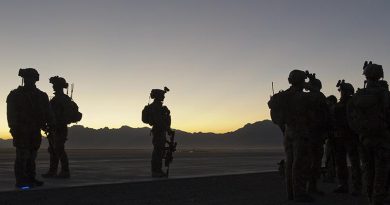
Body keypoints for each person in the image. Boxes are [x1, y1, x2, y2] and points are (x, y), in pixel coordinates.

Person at [348, 61, 390, 205]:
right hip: (382, 138)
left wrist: (360, 131)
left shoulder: (359, 95)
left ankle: (370, 198)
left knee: (368, 170)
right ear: (380, 76)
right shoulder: (384, 94)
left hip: (364, 138)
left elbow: (350, 118)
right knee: (381, 171)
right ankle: (378, 200)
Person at [268, 70, 314, 202]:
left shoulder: (282, 96)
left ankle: (291, 193)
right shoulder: (303, 97)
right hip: (300, 131)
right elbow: (320, 100)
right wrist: (311, 87)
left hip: (288, 131)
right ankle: (299, 193)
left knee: (290, 163)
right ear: (301, 81)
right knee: (300, 163)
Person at [6, 68, 55, 188]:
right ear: (24, 78)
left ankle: (31, 178)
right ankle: (21, 180)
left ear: (36, 79)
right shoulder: (15, 95)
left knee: (32, 156)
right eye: (28, 77)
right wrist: (14, 128)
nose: (30, 80)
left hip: (35, 130)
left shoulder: (41, 95)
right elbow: (11, 113)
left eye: (32, 77)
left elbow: (48, 113)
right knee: (22, 156)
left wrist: (50, 125)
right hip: (21, 130)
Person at [42, 76, 77, 179]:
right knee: (53, 150)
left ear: (59, 86)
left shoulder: (63, 99)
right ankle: (52, 171)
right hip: (53, 127)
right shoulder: (57, 98)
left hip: (60, 127)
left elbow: (62, 114)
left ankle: (65, 172)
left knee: (59, 150)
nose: (53, 87)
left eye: (54, 85)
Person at [333, 80, 362, 195]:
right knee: (341, 163)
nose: (342, 93)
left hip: (351, 136)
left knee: (354, 162)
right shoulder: (340, 105)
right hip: (339, 137)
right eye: (342, 90)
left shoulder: (353, 104)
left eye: (343, 90)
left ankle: (356, 187)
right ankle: (343, 185)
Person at [304, 72, 330, 196]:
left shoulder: (305, 97)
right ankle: (311, 187)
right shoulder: (319, 97)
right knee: (315, 162)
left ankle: (305, 187)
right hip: (316, 134)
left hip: (307, 134)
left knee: (308, 161)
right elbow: (327, 116)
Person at [143, 87, 174, 177]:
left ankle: (157, 170)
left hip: (160, 131)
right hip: (158, 131)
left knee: (160, 151)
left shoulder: (158, 106)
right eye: (162, 95)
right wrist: (168, 129)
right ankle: (156, 171)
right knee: (158, 151)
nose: (164, 97)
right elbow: (159, 121)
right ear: (158, 96)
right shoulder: (156, 107)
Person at [323, 95, 337, 183]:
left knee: (330, 157)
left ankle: (330, 176)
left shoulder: (332, 111)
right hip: (334, 137)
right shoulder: (335, 110)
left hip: (332, 137)